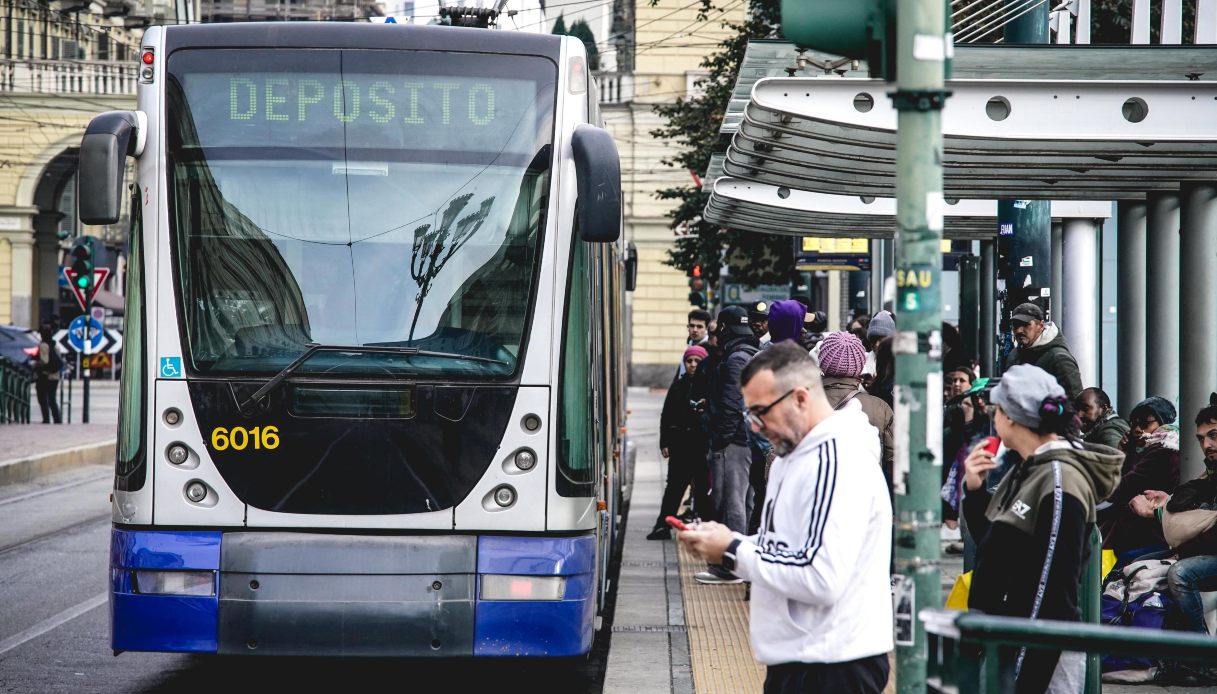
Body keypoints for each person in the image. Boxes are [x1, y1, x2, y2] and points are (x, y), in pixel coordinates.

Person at [677, 342, 893, 693]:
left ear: (801, 398)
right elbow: (784, 547)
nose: (757, 426)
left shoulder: (834, 461)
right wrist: (730, 542)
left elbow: (820, 576)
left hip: (832, 663)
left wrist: (732, 550)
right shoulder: (793, 457)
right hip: (802, 658)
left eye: (761, 412)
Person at [962, 364, 1121, 693]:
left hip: (1036, 653)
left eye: (996, 409)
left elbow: (1052, 591)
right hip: (1015, 640)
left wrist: (1023, 678)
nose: (993, 416)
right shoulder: (1031, 468)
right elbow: (992, 545)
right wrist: (974, 490)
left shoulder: (1058, 478)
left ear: (1011, 417)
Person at [1129, 393, 1217, 639]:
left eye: (1214, 436)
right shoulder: (1210, 473)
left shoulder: (1165, 454)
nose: (1206, 445)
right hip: (1203, 549)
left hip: (1207, 550)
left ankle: (1200, 655)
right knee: (1136, 564)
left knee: (1180, 573)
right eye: (1201, 439)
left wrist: (1180, 541)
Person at [699, 305, 761, 584]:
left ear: (724, 328)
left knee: (731, 502)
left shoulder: (735, 358)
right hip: (745, 439)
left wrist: (720, 439)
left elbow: (731, 404)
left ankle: (730, 565)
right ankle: (738, 562)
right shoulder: (751, 353)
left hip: (733, 441)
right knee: (743, 502)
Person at [1097, 396, 1180, 561]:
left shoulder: (1163, 450)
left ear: (1162, 422)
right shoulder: (1151, 449)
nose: (1136, 429)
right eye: (1134, 423)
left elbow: (1124, 486)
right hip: (1142, 536)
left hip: (1145, 538)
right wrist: (1127, 451)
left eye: (1145, 423)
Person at [816, 331, 894, 486]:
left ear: (823, 362)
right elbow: (895, 463)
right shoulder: (880, 408)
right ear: (859, 366)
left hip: (813, 497)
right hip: (865, 497)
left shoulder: (803, 403)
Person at [649, 345, 710, 540]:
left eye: (697, 361)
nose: (692, 365)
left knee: (702, 491)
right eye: (689, 361)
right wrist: (664, 442)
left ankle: (705, 530)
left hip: (701, 447)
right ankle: (663, 525)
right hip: (680, 447)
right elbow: (666, 415)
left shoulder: (709, 385)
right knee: (674, 489)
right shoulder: (678, 385)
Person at [1003, 302, 1084, 401]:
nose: (1019, 330)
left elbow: (1074, 402)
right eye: (1015, 325)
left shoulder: (1059, 358)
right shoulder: (1014, 355)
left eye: (1026, 325)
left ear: (1041, 325)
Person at [34, 324, 62, 424]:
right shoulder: (55, 345)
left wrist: (35, 365)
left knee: (42, 398)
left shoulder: (43, 345)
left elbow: (44, 361)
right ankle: (57, 419)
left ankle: (46, 419)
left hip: (45, 375)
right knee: (52, 399)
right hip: (55, 375)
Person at [676, 309, 712, 378]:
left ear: (707, 328)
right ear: (688, 327)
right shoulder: (690, 344)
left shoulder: (710, 349)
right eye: (692, 326)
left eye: (699, 326)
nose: (695, 330)